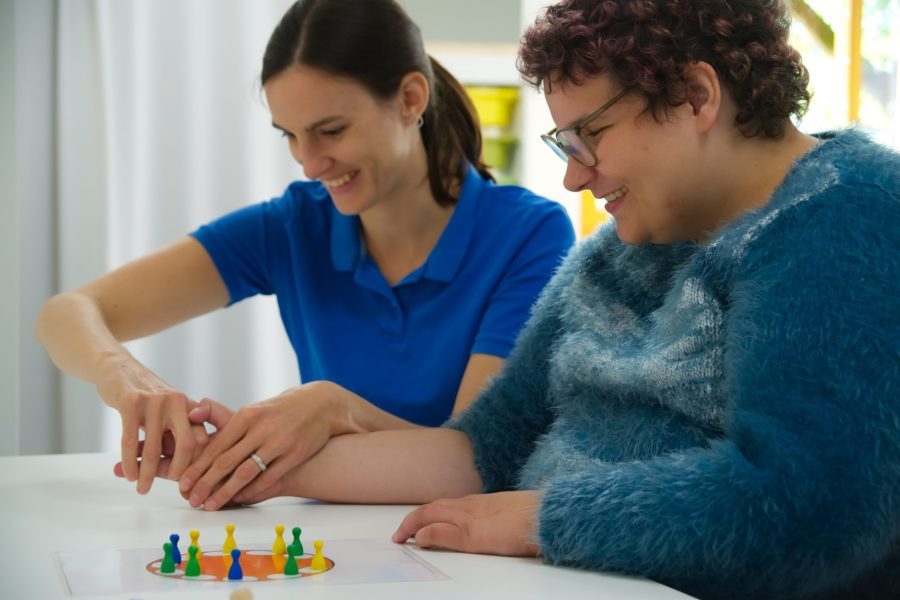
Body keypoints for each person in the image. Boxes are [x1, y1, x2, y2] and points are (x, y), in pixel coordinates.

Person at [176, 0, 900, 598]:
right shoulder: (619, 252)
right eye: (566, 143)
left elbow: (811, 506)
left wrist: (541, 519)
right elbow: (482, 448)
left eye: (592, 135)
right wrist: (252, 465)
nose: (575, 180)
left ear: (697, 97)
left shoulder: (846, 213)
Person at [34, 0, 575, 507]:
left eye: (330, 131)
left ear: (411, 99)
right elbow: (66, 314)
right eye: (290, 136)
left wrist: (330, 409)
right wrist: (132, 383)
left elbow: (473, 457)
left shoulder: (530, 234)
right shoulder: (293, 226)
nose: (309, 164)